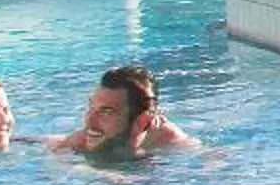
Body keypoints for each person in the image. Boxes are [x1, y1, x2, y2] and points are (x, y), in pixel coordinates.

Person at [51, 64, 195, 158]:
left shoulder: (170, 140)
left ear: (142, 120)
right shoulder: (85, 138)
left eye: (106, 112)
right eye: (91, 108)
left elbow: (204, 157)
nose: (89, 121)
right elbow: (57, 159)